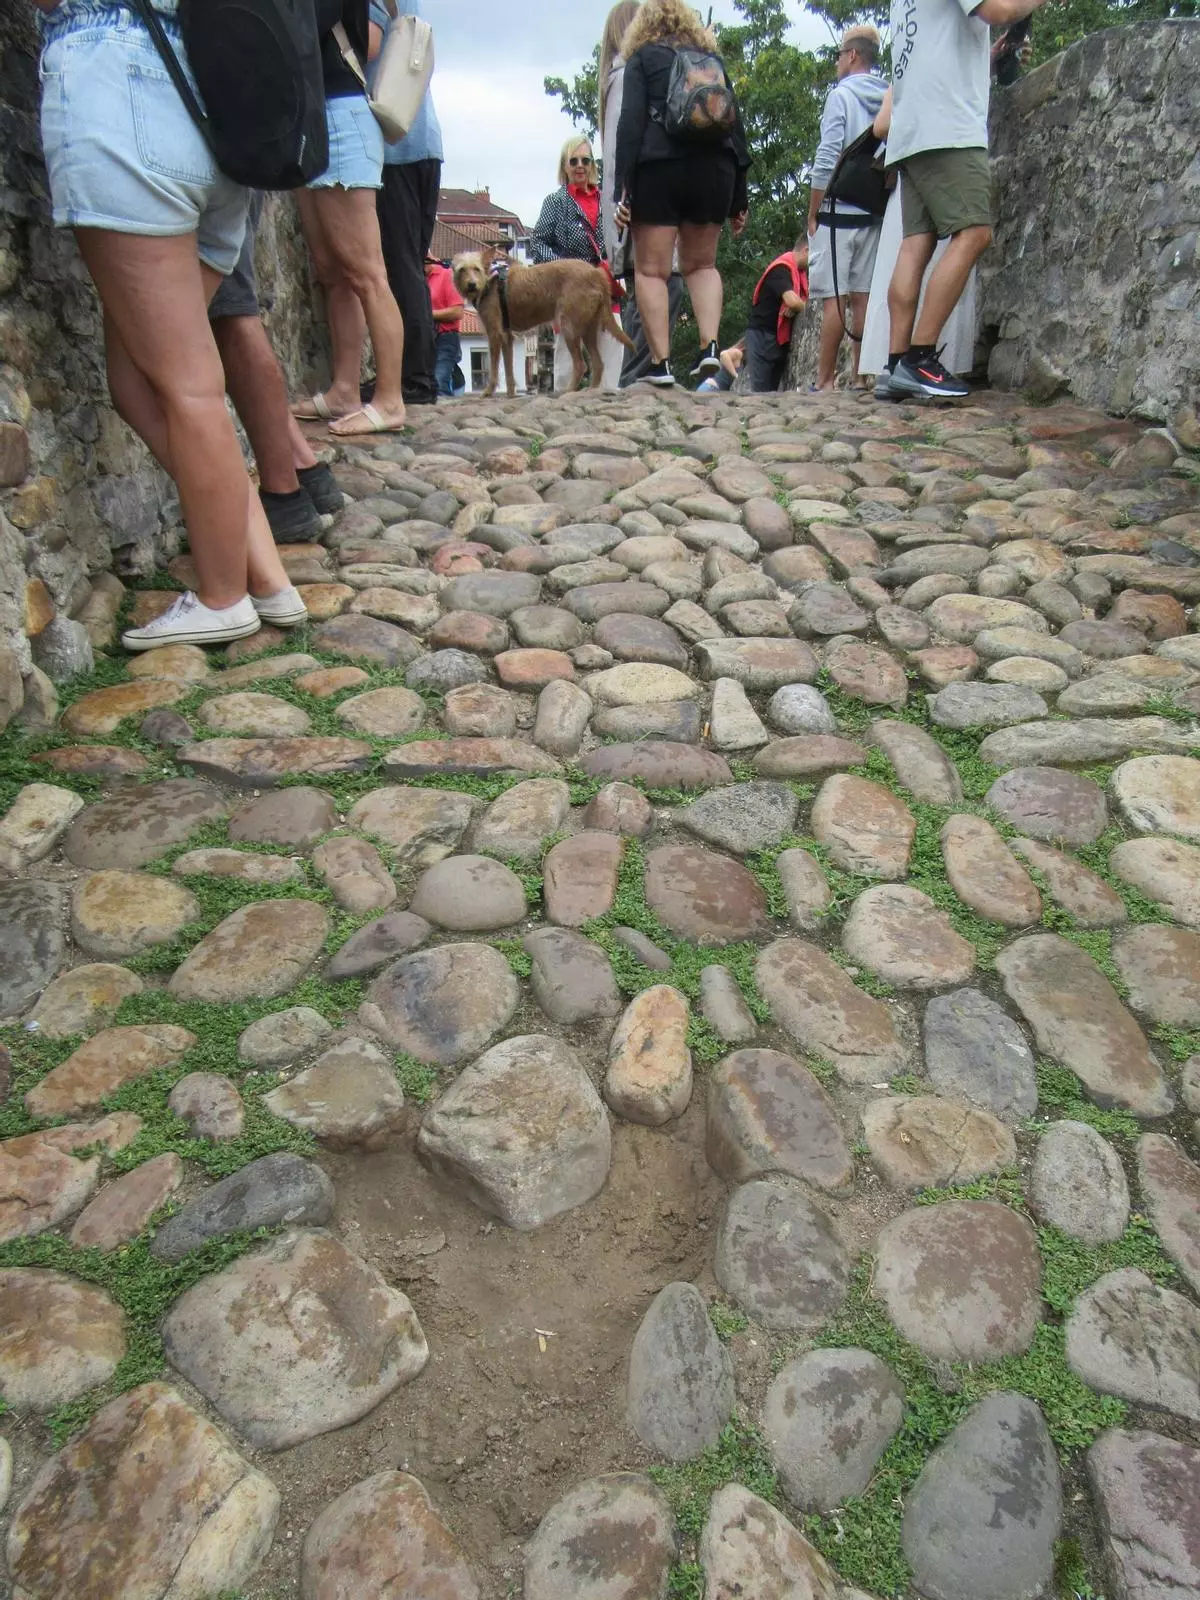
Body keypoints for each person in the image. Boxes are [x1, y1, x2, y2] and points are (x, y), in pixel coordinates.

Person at [34, 0, 302, 651]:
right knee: (139, 382)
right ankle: (266, 578)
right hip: (215, 95)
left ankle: (220, 596)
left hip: (119, 76)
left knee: (185, 385)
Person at [881, 0, 1049, 400]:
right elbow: (998, 9)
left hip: (913, 125)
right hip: (948, 123)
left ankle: (896, 365)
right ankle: (919, 359)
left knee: (916, 243)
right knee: (974, 233)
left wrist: (989, 58)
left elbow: (937, 42)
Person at [613, 0, 751, 388]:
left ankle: (661, 364)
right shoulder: (709, 61)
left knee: (651, 270)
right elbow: (734, 128)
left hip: (660, 169)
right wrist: (739, 196)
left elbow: (629, 126)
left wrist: (623, 193)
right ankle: (710, 349)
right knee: (703, 266)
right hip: (714, 172)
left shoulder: (643, 58)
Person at [290, 0, 408, 434]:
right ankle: (344, 388)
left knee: (366, 273)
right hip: (315, 120)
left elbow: (304, 24)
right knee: (333, 271)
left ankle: (391, 400)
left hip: (341, 116)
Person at [208, 194, 345, 543]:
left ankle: (282, 496)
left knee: (229, 311)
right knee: (234, 305)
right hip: (238, 157)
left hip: (177, 160)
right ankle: (302, 468)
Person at [598, 0, 683, 387]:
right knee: (659, 288)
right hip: (635, 205)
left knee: (662, 287)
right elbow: (619, 147)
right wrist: (623, 200)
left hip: (644, 200)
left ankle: (642, 381)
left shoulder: (639, 75)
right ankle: (633, 387)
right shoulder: (624, 77)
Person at [806, 26, 888, 392]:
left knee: (834, 299)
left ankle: (824, 380)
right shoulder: (889, 95)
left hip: (838, 207)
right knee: (863, 295)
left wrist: (814, 207)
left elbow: (828, 154)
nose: (838, 62)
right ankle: (861, 374)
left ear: (852, 55)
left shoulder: (840, 96)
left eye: (840, 55)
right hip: (872, 206)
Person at [370, 0, 442, 407]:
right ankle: (415, 372)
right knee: (410, 265)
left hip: (395, 143)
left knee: (401, 267)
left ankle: (413, 377)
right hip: (425, 140)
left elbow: (370, 44)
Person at [528, 135, 626, 392]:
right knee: (567, 358)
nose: (580, 165)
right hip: (568, 290)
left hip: (602, 286)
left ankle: (608, 405)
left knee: (611, 351)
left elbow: (622, 239)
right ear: (565, 166)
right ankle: (564, 411)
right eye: (574, 161)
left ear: (593, 165)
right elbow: (537, 243)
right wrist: (565, 270)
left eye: (586, 160)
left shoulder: (608, 200)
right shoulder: (555, 202)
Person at [744, 238, 809, 392]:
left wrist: (797, 305)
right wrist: (802, 306)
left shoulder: (799, 275)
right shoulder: (781, 269)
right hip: (762, 337)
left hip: (778, 341)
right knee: (761, 392)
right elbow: (792, 301)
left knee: (773, 391)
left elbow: (795, 302)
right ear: (806, 250)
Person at [425, 253, 464, 397]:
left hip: (445, 337)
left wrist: (427, 315)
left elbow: (457, 311)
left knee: (439, 381)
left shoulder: (446, 275)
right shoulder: (416, 280)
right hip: (423, 339)